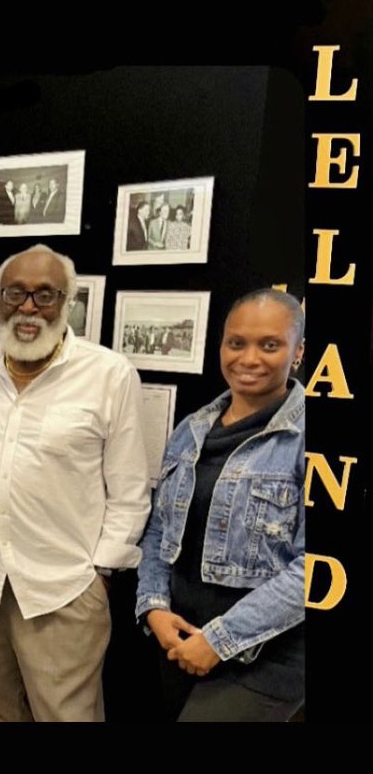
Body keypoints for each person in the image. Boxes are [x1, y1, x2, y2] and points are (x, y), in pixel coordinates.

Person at [0, 245, 151, 721]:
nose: (28, 308)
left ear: (68, 302)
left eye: (45, 295)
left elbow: (130, 489)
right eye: (15, 293)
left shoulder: (108, 374)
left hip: (63, 590)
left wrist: (98, 574)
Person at [135, 289, 306, 721]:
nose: (249, 358)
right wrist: (154, 605)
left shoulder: (309, 443)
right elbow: (158, 529)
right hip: (181, 639)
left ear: (298, 352)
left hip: (267, 655)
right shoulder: (192, 428)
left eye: (270, 345)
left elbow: (314, 569)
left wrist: (220, 639)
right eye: (236, 343)